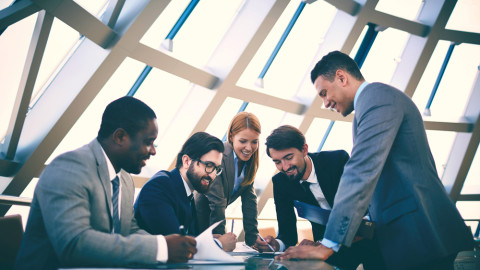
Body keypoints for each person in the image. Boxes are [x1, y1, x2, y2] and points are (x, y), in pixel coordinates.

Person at [277, 50, 475, 269]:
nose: (325, 103)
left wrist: (328, 244)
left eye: (324, 93)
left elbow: (361, 170)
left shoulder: (377, 98)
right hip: (408, 236)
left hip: (420, 232)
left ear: (342, 78)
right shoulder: (370, 105)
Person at [14, 96, 196, 270]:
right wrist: (160, 248)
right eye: (148, 142)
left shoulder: (124, 179)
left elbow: (128, 229)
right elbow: (74, 245)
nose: (153, 151)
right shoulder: (70, 168)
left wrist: (172, 247)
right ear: (120, 137)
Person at [254, 125, 364, 270]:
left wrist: (321, 244)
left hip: (362, 243)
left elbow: (360, 214)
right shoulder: (281, 183)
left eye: (289, 157)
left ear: (304, 149)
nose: (285, 167)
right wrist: (276, 244)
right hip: (324, 259)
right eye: (277, 162)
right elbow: (288, 234)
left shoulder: (337, 162)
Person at [134, 131, 237, 252]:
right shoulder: (159, 187)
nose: (213, 175)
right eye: (209, 165)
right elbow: (175, 243)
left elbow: (186, 235)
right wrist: (217, 244)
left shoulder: (186, 192)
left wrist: (207, 239)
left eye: (217, 169)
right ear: (186, 161)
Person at [195, 112, 260, 246]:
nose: (249, 148)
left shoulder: (250, 163)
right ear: (231, 136)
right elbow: (217, 202)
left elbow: (250, 202)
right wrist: (221, 242)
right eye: (243, 141)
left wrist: (253, 241)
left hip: (212, 225)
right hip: (196, 223)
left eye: (254, 142)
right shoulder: (218, 156)